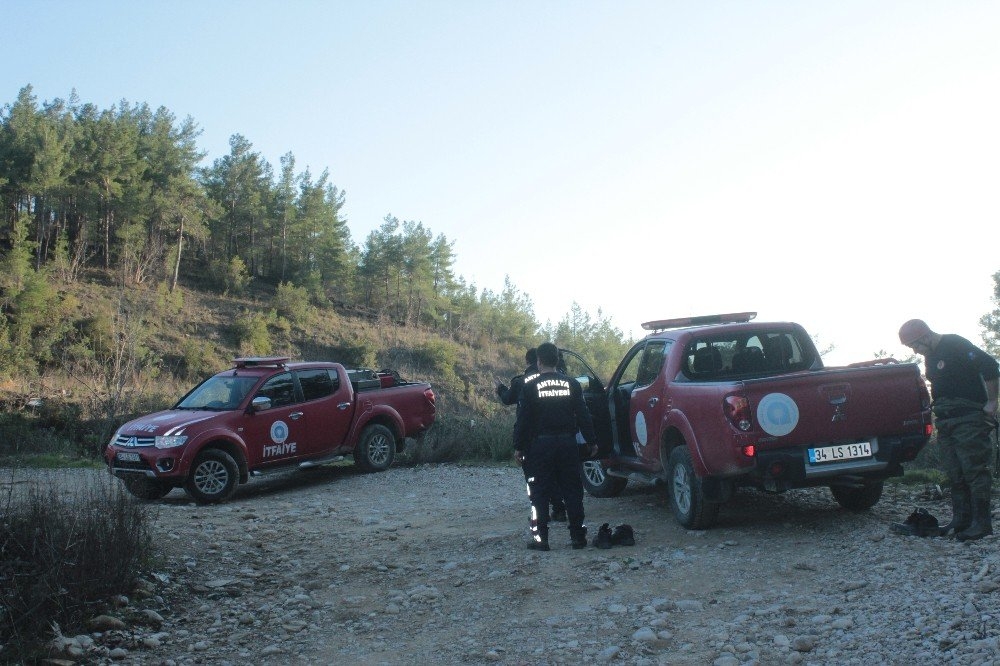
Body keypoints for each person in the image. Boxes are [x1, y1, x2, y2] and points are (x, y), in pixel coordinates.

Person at [899, 318, 998, 541]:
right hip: (946, 421)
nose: (914, 350)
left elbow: (991, 367)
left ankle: (982, 524)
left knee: (974, 469)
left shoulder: (956, 344)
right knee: (955, 472)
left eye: (915, 345)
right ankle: (961, 520)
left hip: (968, 418)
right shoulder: (930, 356)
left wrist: (992, 402)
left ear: (925, 336)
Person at [513, 342, 598, 551]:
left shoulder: (530, 387)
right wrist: (592, 440)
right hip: (568, 443)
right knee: (572, 490)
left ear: (539, 361)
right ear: (558, 360)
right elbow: (584, 415)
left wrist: (519, 447)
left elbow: (522, 420)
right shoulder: (572, 384)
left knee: (539, 492)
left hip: (540, 446)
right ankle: (578, 537)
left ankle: (541, 540)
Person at [495, 348, 568, 522]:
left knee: (534, 478)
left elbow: (509, 401)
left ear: (531, 362)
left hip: (532, 438)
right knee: (557, 474)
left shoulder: (522, 382)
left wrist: (499, 388)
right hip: (562, 436)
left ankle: (540, 516)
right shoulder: (563, 379)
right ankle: (560, 509)